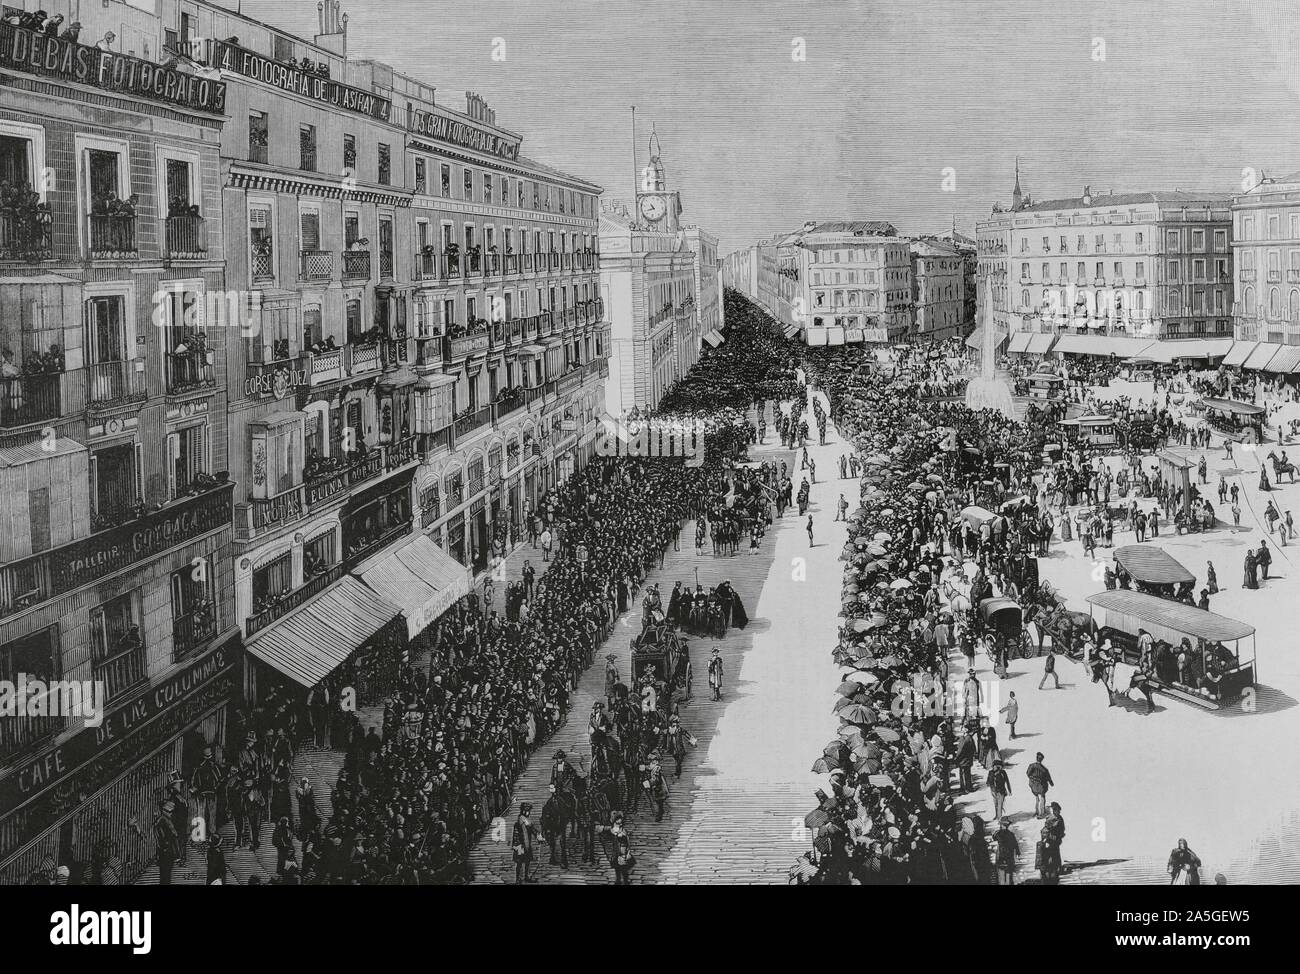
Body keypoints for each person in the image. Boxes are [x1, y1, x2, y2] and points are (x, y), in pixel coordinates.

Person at [1039, 802, 1066, 884]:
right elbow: (1045, 830)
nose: (1057, 812)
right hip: (1049, 841)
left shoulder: (1060, 818)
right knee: (1049, 856)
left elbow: (1062, 829)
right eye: (1055, 810)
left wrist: (1059, 836)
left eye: (1058, 811)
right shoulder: (1051, 818)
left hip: (1055, 841)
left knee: (1055, 854)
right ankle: (1049, 871)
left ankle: (1055, 869)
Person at [512, 802, 538, 884]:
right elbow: (515, 835)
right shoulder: (518, 823)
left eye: (528, 811)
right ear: (523, 811)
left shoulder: (528, 822)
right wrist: (516, 845)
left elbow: (533, 830)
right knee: (519, 862)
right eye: (527, 811)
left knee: (527, 861)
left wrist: (539, 836)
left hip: (527, 845)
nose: (528, 812)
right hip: (520, 845)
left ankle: (526, 876)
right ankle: (517, 879)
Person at [1026, 752, 1054, 819]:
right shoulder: (1044, 769)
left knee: (1037, 798)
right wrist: (1051, 783)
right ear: (1041, 760)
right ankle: (1041, 813)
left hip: (1033, 785)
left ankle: (1037, 812)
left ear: (1036, 758)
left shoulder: (1031, 765)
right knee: (1042, 798)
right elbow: (1048, 778)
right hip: (1041, 786)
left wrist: (1032, 778)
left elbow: (1028, 773)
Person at [993, 817, 1019, 886]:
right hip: (1009, 858)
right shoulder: (1011, 834)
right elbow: (1015, 845)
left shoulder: (998, 834)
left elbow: (994, 837)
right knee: (1008, 876)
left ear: (1001, 825)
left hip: (1001, 856)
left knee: (1001, 877)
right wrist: (1017, 853)